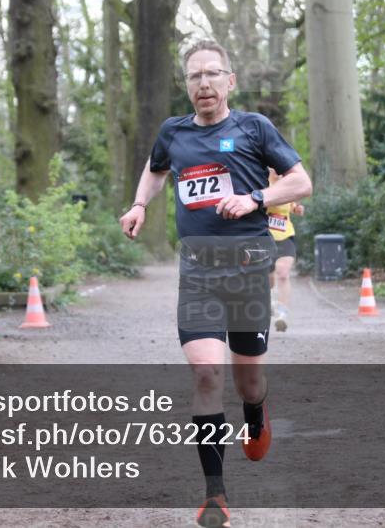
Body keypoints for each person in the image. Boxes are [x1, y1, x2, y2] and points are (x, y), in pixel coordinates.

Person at [119, 39, 312, 528]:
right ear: (187, 86)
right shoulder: (173, 132)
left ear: (230, 81)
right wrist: (141, 203)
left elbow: (301, 181)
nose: (203, 83)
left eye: (212, 74)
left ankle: (256, 412)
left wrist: (256, 198)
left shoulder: (254, 128)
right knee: (206, 375)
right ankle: (215, 496)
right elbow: (156, 168)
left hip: (247, 269)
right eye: (194, 76)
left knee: (249, 382)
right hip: (199, 272)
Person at [266, 168, 305, 332]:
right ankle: (269, 302)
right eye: (276, 168)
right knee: (268, 277)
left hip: (285, 235)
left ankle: (282, 315)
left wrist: (296, 209)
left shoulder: (287, 184)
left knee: (283, 273)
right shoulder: (262, 183)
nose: (280, 171)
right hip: (266, 236)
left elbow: (291, 206)